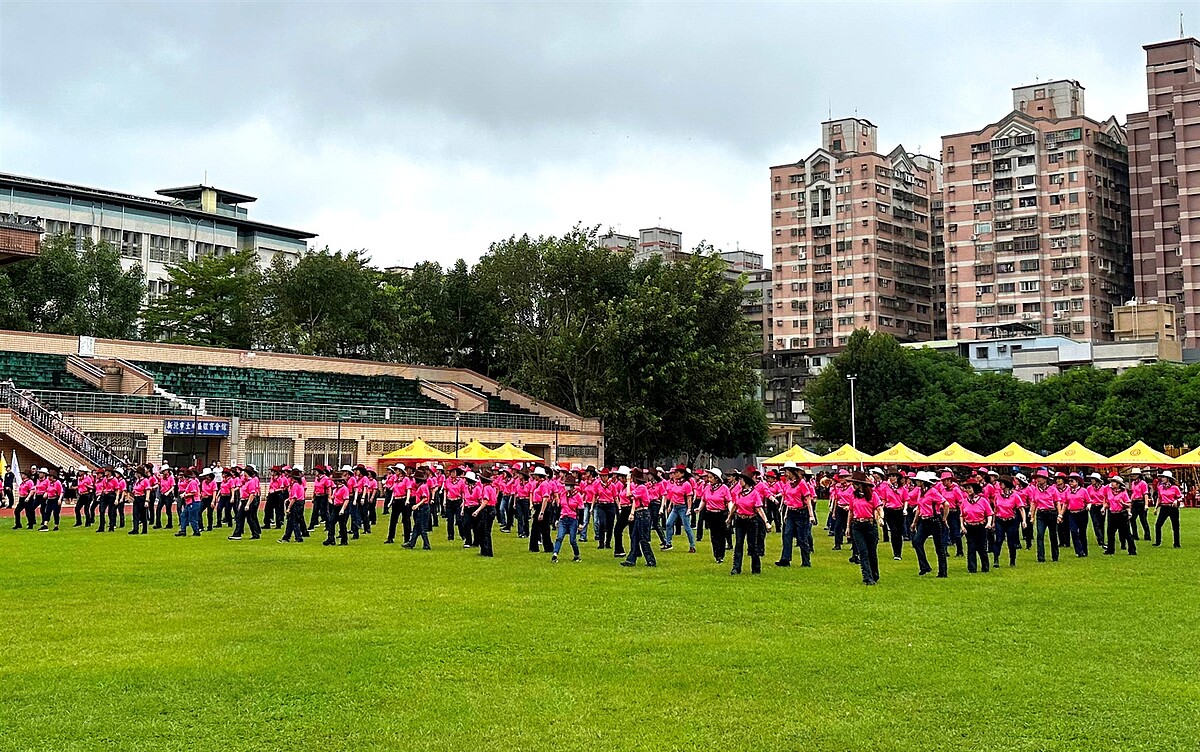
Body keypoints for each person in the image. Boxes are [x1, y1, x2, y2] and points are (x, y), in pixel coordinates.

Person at [725, 470, 767, 575]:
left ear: (746, 481)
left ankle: (756, 568)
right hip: (740, 520)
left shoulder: (754, 493)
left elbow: (759, 509)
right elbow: (735, 506)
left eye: (741, 479)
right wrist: (729, 517)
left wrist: (766, 522)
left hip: (751, 520)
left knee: (752, 545)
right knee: (738, 544)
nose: (739, 481)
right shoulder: (738, 492)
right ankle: (736, 567)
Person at [776, 462, 816, 568]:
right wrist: (785, 513)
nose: (785, 473)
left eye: (786, 471)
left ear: (791, 471)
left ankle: (806, 561)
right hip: (791, 512)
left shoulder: (802, 483)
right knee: (787, 535)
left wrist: (811, 515)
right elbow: (787, 499)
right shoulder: (788, 483)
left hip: (801, 513)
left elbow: (808, 499)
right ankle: (785, 559)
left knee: (802, 537)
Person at [910, 471, 948, 578]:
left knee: (939, 547)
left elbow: (946, 504)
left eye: (918, 481)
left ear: (922, 482)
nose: (916, 482)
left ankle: (942, 572)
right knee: (917, 542)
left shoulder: (933, 492)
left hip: (934, 520)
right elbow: (919, 508)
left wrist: (944, 518)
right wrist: (914, 522)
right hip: (924, 520)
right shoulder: (920, 492)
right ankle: (924, 566)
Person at [620, 467, 658, 568]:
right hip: (639, 513)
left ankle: (651, 560)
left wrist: (628, 482)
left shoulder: (641, 488)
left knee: (643, 539)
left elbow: (628, 495)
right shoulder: (639, 487)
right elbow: (634, 501)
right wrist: (632, 513)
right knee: (634, 537)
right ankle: (631, 560)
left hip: (643, 514)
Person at [959, 477, 994, 573]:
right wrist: (962, 526)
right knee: (971, 548)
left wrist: (989, 523)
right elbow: (961, 515)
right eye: (966, 488)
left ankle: (985, 567)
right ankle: (972, 568)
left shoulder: (983, 500)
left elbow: (989, 513)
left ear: (974, 488)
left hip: (980, 526)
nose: (968, 490)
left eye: (969, 488)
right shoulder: (964, 502)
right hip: (969, 527)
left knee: (981, 548)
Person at [1027, 469, 1061, 563]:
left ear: (1045, 479)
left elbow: (1057, 502)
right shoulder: (1035, 490)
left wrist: (1059, 515)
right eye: (1037, 478)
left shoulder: (1052, 489)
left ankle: (1055, 556)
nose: (1038, 479)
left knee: (1053, 534)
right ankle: (1040, 557)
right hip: (1041, 514)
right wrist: (1032, 516)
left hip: (1051, 513)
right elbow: (1033, 503)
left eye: (1040, 478)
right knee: (1040, 534)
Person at [991, 476, 1026, 568]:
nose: (1000, 484)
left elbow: (1021, 508)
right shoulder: (997, 496)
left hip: (1011, 521)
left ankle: (1012, 560)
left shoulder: (1015, 496)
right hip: (1000, 520)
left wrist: (1024, 521)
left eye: (1002, 483)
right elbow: (995, 509)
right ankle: (996, 560)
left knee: (1011, 542)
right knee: (998, 540)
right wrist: (993, 522)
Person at [661, 465, 696, 553]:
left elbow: (689, 497)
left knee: (687, 527)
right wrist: (670, 505)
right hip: (675, 507)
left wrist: (689, 509)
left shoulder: (686, 484)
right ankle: (668, 543)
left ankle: (692, 546)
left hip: (683, 507)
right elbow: (674, 495)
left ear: (682, 474)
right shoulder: (676, 483)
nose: (675, 474)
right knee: (668, 523)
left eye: (677, 473)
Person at [874, 468, 905, 561]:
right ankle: (896, 553)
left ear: (897, 477)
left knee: (899, 533)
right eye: (890, 476)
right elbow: (883, 499)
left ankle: (899, 552)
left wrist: (905, 509)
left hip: (899, 511)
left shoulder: (902, 488)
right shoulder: (886, 488)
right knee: (894, 531)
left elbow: (906, 499)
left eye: (894, 476)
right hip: (890, 511)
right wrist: (880, 510)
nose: (892, 478)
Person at [552, 472, 583, 563]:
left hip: (573, 519)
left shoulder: (578, 496)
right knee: (559, 537)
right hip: (563, 518)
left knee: (572, 540)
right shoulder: (563, 494)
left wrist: (580, 523)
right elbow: (559, 507)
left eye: (568, 485)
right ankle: (555, 554)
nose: (566, 487)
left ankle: (576, 555)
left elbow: (581, 510)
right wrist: (556, 519)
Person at [1104, 474, 1137, 556]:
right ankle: (1110, 549)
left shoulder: (1123, 493)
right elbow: (1108, 502)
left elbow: (1129, 504)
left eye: (1114, 482)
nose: (1112, 483)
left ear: (1118, 484)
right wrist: (1104, 507)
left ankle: (1132, 550)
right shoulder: (1109, 491)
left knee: (1126, 533)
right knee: (1110, 533)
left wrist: (1123, 503)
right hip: (1112, 514)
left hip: (1121, 514)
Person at [228, 466, 262, 541]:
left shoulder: (251, 482)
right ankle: (238, 534)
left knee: (250, 519)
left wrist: (247, 504)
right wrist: (241, 502)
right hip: (244, 501)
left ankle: (255, 533)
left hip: (248, 501)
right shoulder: (245, 482)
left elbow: (252, 494)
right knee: (239, 517)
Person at [402, 469, 433, 550]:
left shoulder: (422, 487)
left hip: (423, 508)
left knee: (422, 527)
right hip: (423, 508)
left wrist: (417, 505)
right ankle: (411, 543)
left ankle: (426, 544)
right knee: (416, 526)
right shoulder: (423, 486)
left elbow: (425, 498)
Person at [938, 471, 966, 557]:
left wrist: (962, 513)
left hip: (953, 512)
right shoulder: (943, 489)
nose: (943, 482)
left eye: (944, 480)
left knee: (956, 532)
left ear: (949, 480)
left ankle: (960, 550)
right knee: (944, 531)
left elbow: (961, 502)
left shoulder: (956, 489)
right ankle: (944, 551)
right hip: (944, 511)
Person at [384, 466, 414, 544]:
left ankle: (407, 539)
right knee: (393, 520)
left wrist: (407, 500)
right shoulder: (395, 479)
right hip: (396, 500)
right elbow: (394, 491)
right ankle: (390, 538)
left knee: (406, 520)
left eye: (396, 470)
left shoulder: (406, 479)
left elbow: (408, 490)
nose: (395, 471)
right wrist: (391, 501)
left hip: (403, 500)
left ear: (400, 471)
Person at [529, 467, 556, 554]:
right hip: (538, 506)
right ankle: (535, 547)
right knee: (537, 528)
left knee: (543, 528)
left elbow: (545, 498)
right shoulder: (538, 484)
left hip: (542, 506)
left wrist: (542, 512)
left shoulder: (544, 484)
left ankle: (546, 547)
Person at [1153, 469, 1183, 548]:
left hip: (1173, 508)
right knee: (1158, 524)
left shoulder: (1175, 488)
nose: (1162, 479)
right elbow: (1159, 498)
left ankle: (1177, 543)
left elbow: (1181, 497)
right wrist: (1156, 508)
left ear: (1168, 478)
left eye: (1164, 477)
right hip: (1164, 507)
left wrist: (1176, 501)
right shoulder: (1160, 487)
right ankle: (1158, 542)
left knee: (1175, 526)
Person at [470, 471, 497, 557]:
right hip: (491, 509)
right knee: (483, 530)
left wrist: (477, 511)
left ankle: (487, 551)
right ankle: (484, 550)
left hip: (487, 510)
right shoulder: (491, 487)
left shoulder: (486, 488)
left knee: (484, 531)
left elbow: (485, 501)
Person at [1063, 472, 1090, 558]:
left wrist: (1088, 506)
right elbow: (1065, 503)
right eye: (1069, 481)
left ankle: (1084, 550)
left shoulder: (1083, 491)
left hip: (1082, 513)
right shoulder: (1067, 491)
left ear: (1077, 482)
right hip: (1071, 513)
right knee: (1074, 531)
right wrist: (1061, 514)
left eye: (1072, 481)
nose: (1070, 483)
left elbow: (1089, 501)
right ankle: (1079, 551)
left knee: (1082, 532)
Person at [828, 470, 853, 551]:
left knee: (850, 525)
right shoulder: (837, 487)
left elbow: (854, 499)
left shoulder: (851, 487)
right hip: (840, 507)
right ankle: (837, 544)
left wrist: (849, 506)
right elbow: (836, 498)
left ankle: (853, 543)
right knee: (838, 526)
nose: (841, 479)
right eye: (840, 477)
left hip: (849, 508)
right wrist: (834, 511)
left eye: (843, 477)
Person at [325, 470, 351, 547]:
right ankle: (331, 538)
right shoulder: (336, 489)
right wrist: (330, 498)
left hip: (342, 506)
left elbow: (346, 499)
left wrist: (343, 509)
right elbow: (333, 497)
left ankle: (344, 540)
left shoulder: (344, 489)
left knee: (342, 524)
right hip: (335, 507)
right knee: (331, 522)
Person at [1128, 468, 1152, 541]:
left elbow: (1145, 494)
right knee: (1132, 519)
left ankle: (1147, 535)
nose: (1133, 476)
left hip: (1141, 502)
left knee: (1143, 520)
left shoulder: (1143, 483)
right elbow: (1133, 493)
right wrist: (1130, 502)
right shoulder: (1133, 483)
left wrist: (1146, 504)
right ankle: (1135, 535)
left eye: (1134, 474)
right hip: (1134, 502)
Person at [38, 468, 63, 532]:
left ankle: (56, 525)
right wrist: (46, 493)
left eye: (50, 476)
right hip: (49, 499)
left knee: (56, 513)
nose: (48, 477)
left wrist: (60, 499)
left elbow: (61, 492)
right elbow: (48, 489)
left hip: (55, 499)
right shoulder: (49, 482)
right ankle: (45, 525)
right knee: (47, 512)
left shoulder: (57, 483)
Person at [1086, 472, 1107, 547]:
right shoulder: (1089, 488)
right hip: (1093, 507)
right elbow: (1088, 498)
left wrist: (1104, 507)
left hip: (1101, 506)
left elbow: (1105, 498)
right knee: (1095, 523)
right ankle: (1100, 539)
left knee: (1101, 523)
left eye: (1093, 479)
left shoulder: (1104, 488)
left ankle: (1102, 538)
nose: (1091, 480)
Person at [154, 465, 175, 529]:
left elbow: (173, 486)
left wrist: (168, 492)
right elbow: (159, 484)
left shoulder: (171, 478)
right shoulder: (162, 478)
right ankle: (158, 524)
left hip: (168, 495)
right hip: (162, 494)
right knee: (158, 509)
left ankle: (169, 524)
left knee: (168, 510)